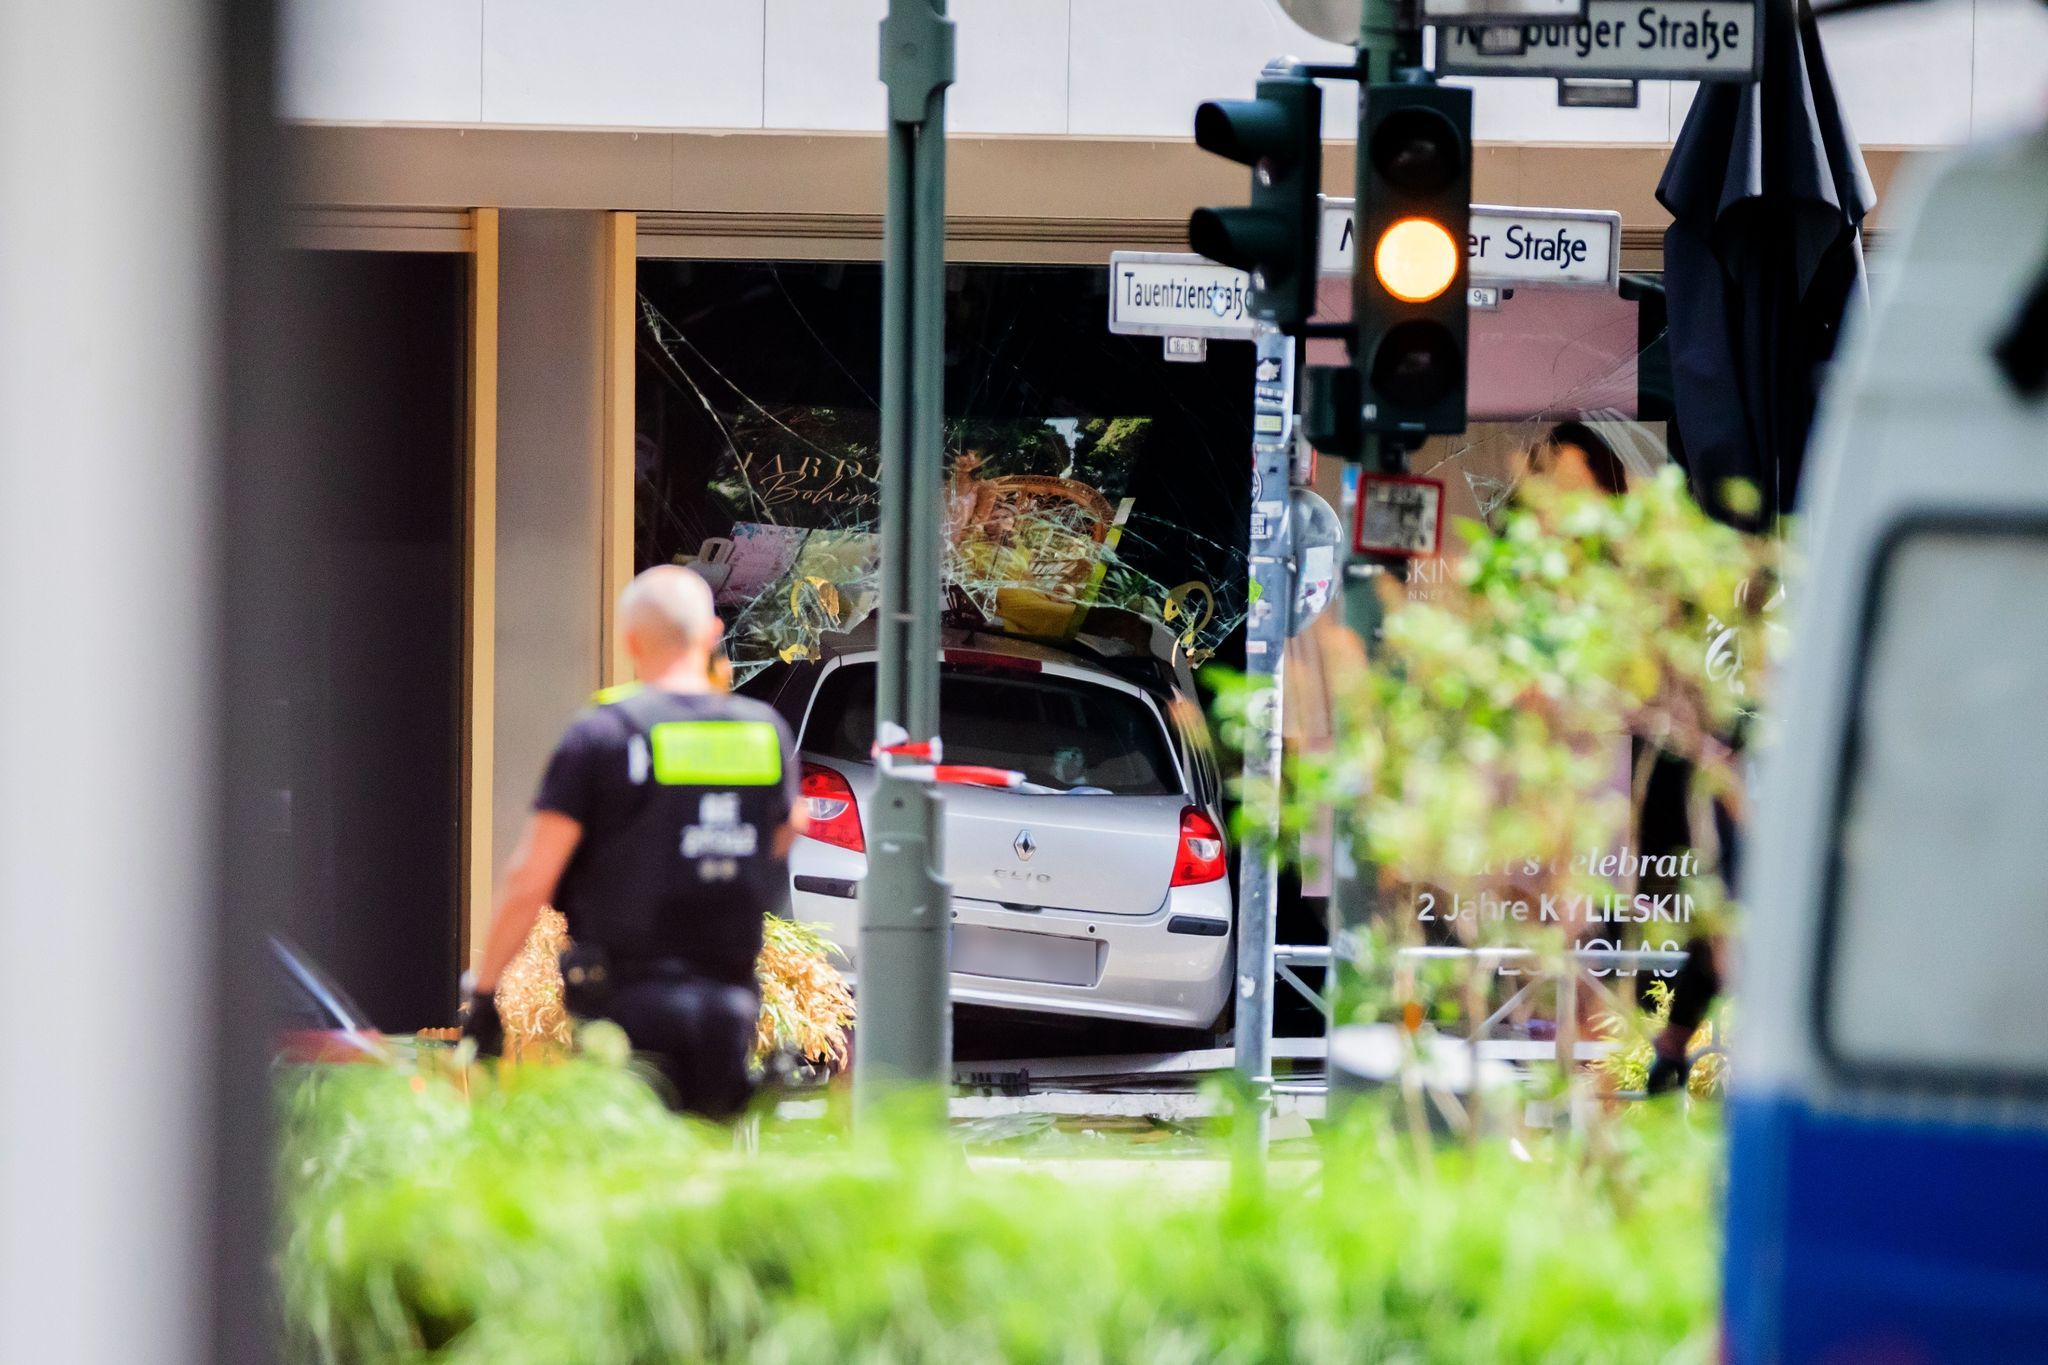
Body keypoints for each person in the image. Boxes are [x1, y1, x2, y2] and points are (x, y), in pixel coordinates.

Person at [462, 565, 808, 1120]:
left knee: (629, 1173)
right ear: (713, 633)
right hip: (729, 1003)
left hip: (625, 1005)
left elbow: (531, 878)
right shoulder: (763, 732)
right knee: (704, 1170)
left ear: (630, 642)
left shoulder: (604, 734)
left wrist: (484, 994)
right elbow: (789, 831)